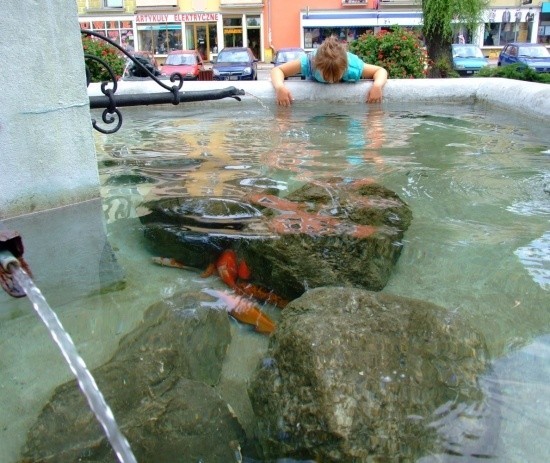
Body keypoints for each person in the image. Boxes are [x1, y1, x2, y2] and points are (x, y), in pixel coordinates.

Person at [271, 36, 388, 106]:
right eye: (326, 77)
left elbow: (380, 70)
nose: (331, 82)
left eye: (336, 77)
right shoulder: (309, 62)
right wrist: (280, 88)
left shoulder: (353, 66)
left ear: (345, 68)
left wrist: (377, 86)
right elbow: (278, 70)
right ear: (316, 67)